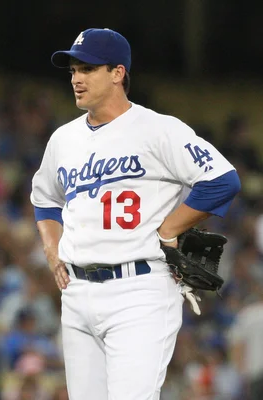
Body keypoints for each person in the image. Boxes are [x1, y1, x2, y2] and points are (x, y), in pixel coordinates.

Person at [30, 28, 241, 400]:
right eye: (74, 70)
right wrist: (51, 247)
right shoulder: (63, 139)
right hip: (77, 293)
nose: (77, 78)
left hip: (140, 291)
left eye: (88, 69)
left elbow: (223, 180)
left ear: (118, 73)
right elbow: (45, 198)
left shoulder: (158, 129)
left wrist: (170, 227)